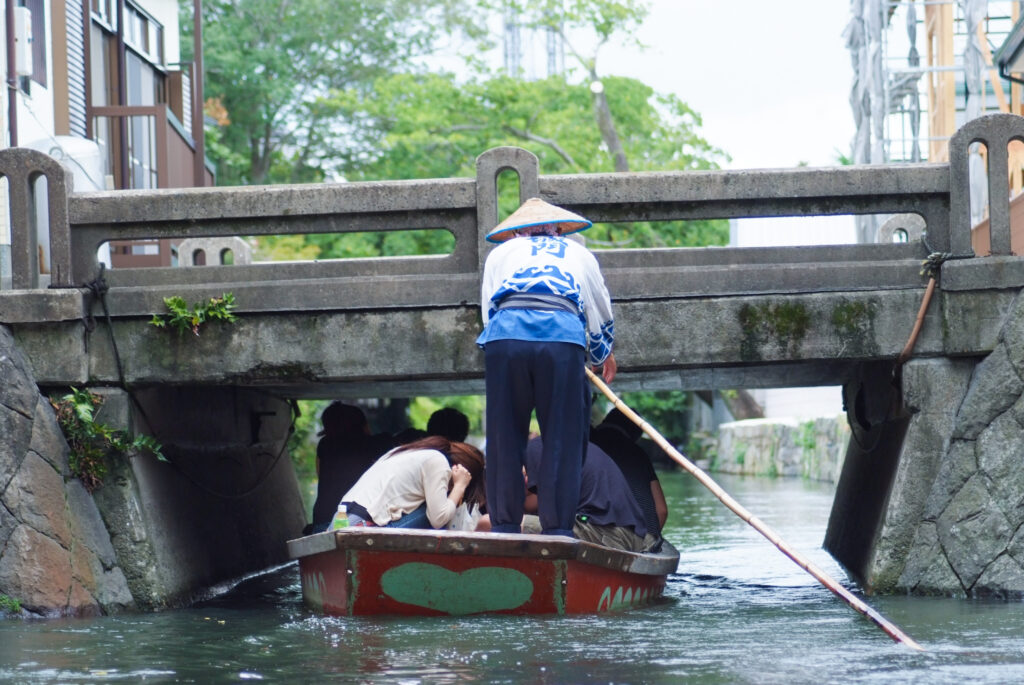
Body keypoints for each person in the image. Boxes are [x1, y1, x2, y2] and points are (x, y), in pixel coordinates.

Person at [477, 197, 616, 537]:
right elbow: (599, 309)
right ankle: (558, 530)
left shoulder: (501, 253)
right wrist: (600, 355)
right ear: (558, 231)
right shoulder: (580, 254)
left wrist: (505, 346)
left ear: (519, 231)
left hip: (505, 337)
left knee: (504, 437)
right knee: (562, 439)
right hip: (562, 338)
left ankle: (505, 526)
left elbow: (488, 310)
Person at [524, 436, 659, 553]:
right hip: (632, 535)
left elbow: (533, 506)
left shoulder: (536, 450)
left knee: (521, 524)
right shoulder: (565, 447)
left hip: (609, 532)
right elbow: (533, 503)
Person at [341, 436, 486, 529]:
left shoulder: (407, 452)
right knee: (441, 514)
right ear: (457, 470)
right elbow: (438, 519)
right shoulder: (437, 461)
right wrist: (460, 486)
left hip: (342, 520)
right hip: (363, 526)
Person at [306, 402, 396, 534]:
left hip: (323, 520)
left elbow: (321, 476)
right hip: (362, 522)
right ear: (363, 425)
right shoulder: (379, 444)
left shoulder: (324, 445)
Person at [590, 408, 668, 535]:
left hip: (600, 533)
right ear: (635, 434)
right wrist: (650, 540)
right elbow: (661, 510)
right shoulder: (638, 454)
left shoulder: (588, 446)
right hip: (642, 536)